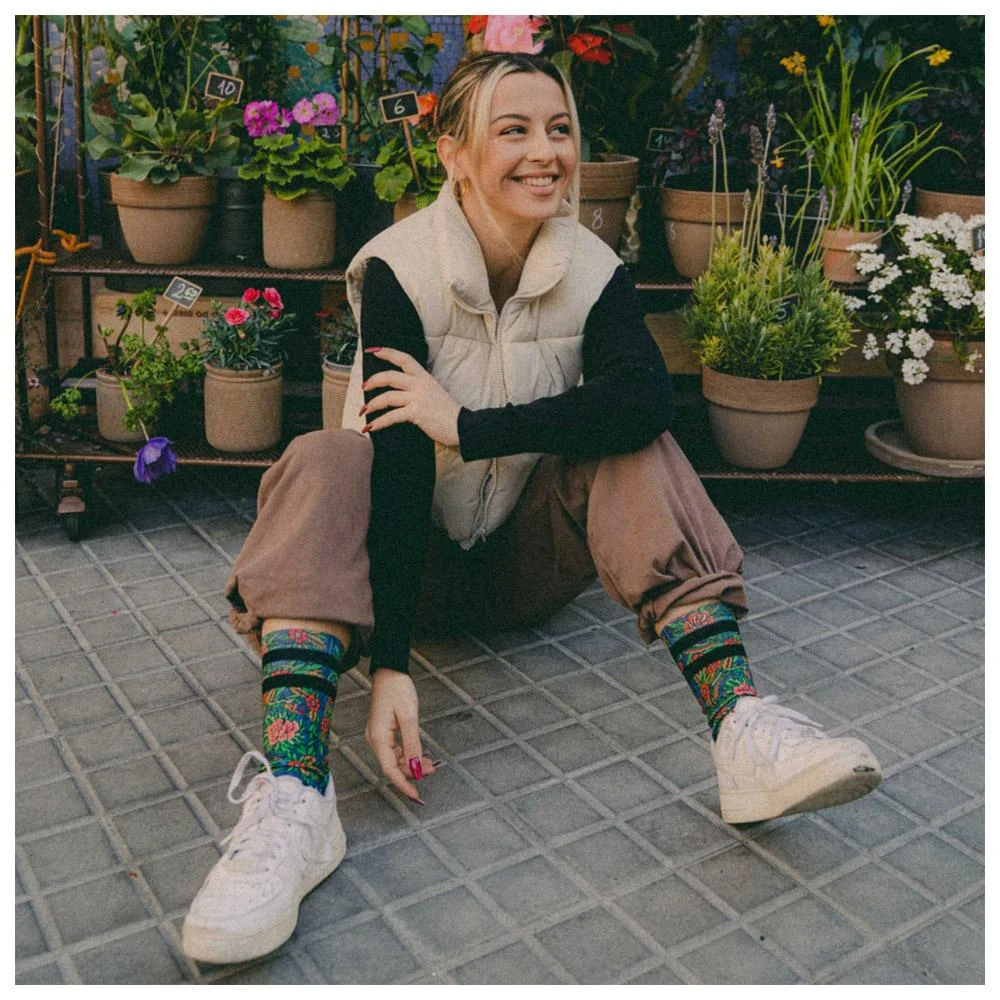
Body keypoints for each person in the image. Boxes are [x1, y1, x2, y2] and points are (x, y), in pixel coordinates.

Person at [181, 51, 881, 966]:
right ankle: (297, 795)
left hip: (525, 564)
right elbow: (400, 461)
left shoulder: (593, 268)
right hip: (399, 577)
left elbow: (643, 402)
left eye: (558, 129)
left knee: (634, 444)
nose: (544, 152)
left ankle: (743, 728)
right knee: (327, 457)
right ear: (454, 153)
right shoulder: (397, 268)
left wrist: (469, 426)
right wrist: (390, 667)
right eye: (512, 131)